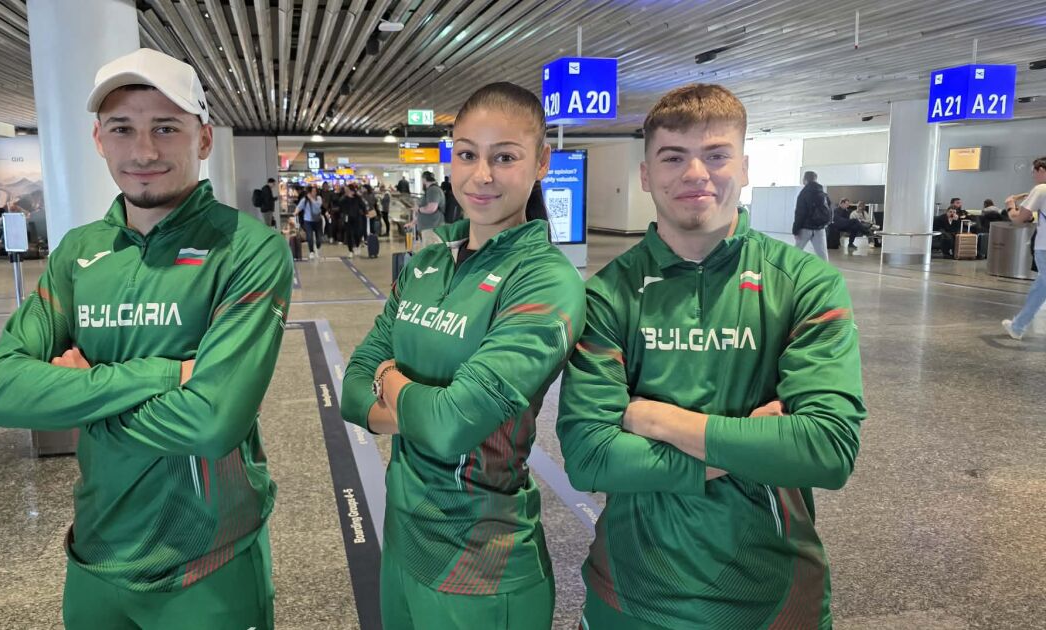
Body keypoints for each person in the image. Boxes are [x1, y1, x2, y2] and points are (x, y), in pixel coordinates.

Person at [0, 48, 291, 630]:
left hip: (208, 558)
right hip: (95, 551)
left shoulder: (247, 249)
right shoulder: (78, 252)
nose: (143, 152)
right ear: (99, 139)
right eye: (122, 129)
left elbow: (212, 423)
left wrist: (77, 396)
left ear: (203, 139)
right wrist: (166, 374)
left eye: (166, 128)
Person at [557, 83, 866, 630]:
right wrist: (753, 441)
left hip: (773, 597)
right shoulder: (607, 294)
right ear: (646, 174)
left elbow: (826, 449)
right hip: (629, 593)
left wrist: (659, 420)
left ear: (744, 167)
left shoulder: (805, 284)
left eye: (717, 155)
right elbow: (589, 457)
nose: (696, 173)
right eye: (673, 157)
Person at [341, 82, 586, 630]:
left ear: (541, 162)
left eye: (505, 157)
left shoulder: (545, 280)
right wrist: (418, 406)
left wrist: (390, 378)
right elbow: (352, 390)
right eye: (469, 154)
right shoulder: (428, 262)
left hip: (481, 561)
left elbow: (451, 426)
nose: (482, 175)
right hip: (403, 538)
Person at [1002, 156, 1046, 340]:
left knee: (1041, 287)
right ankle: (1018, 326)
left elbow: (1018, 219)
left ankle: (1018, 326)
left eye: (1033, 172)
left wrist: (1010, 207)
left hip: (1045, 248)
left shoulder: (1041, 189)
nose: (1033, 176)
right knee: (1041, 288)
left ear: (1041, 170)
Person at [792, 170, 831, 260]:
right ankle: (825, 269)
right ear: (815, 179)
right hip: (820, 228)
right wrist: (826, 223)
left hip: (805, 228)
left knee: (796, 252)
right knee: (823, 256)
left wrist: (795, 230)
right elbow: (829, 209)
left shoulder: (803, 193)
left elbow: (800, 213)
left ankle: (788, 267)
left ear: (805, 180)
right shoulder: (823, 193)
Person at [416, 171, 446, 247]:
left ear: (424, 179)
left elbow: (431, 208)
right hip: (430, 228)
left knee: (431, 252)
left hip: (431, 229)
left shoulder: (433, 190)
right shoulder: (432, 190)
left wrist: (419, 209)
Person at [338, 183, 367, 258]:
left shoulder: (357, 198)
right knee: (349, 235)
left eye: (348, 190)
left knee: (357, 233)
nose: (347, 191)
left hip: (357, 218)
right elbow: (340, 204)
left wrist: (365, 212)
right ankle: (350, 250)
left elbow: (363, 205)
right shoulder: (344, 199)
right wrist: (345, 196)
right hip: (347, 218)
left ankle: (357, 245)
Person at [298, 185, 323, 260]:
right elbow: (299, 207)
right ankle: (311, 251)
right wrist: (295, 212)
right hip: (308, 220)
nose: (314, 193)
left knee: (319, 238)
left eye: (315, 191)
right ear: (309, 192)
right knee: (309, 236)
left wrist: (311, 199)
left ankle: (318, 247)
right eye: (313, 191)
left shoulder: (319, 198)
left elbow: (318, 206)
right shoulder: (305, 200)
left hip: (317, 220)